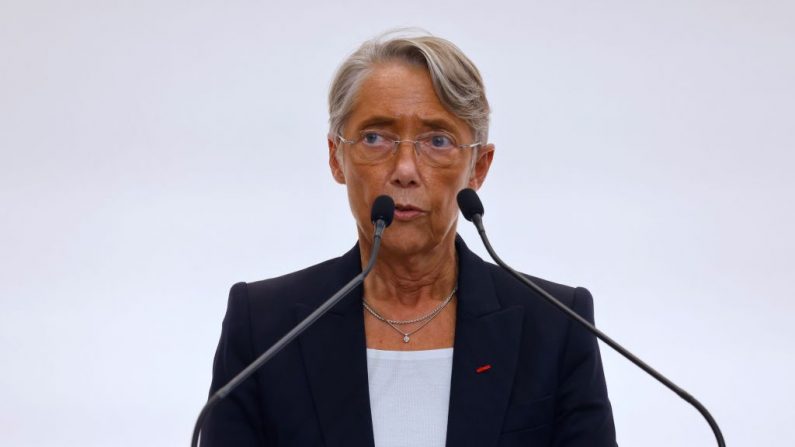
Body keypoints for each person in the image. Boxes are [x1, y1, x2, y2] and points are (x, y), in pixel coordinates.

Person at [203, 30, 617, 447]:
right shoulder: (264, 329)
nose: (405, 169)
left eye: (437, 141)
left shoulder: (556, 326)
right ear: (336, 157)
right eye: (375, 137)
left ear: (479, 166)